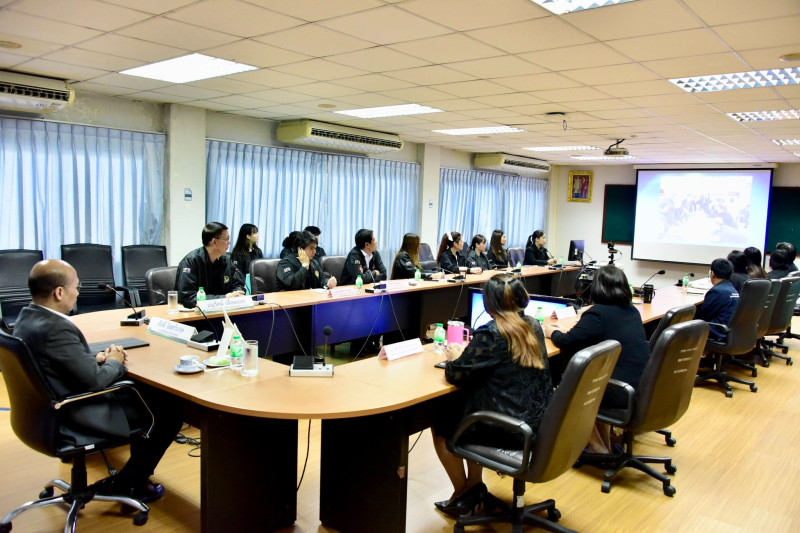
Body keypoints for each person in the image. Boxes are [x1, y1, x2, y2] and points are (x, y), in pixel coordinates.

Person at [13, 259, 183, 503]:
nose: (77, 293)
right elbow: (95, 381)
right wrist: (114, 360)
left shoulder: (27, 317)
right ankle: (131, 483)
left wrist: (93, 358)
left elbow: (55, 360)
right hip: (73, 414)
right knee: (168, 410)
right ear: (59, 292)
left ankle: (131, 479)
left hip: (39, 416)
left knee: (150, 397)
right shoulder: (56, 328)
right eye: (76, 287)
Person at [432, 273, 552, 516]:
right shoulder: (534, 325)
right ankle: (474, 485)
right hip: (538, 423)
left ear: (489, 305)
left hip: (508, 429)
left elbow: (456, 374)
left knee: (441, 420)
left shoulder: (491, 333)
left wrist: (455, 357)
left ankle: (463, 492)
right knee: (467, 406)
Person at [544, 265, 649, 454]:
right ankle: (604, 443)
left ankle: (597, 447)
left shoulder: (598, 314)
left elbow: (567, 341)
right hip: (639, 385)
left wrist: (551, 331)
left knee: (572, 390)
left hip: (618, 390)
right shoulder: (632, 311)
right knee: (595, 377)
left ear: (597, 288)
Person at [175, 222, 246, 307]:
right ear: (214, 242)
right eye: (226, 239)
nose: (229, 242)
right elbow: (187, 297)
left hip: (226, 309)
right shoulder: (191, 261)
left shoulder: (227, 260)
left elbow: (238, 285)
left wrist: (236, 295)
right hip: (198, 312)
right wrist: (224, 298)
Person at [695, 258, 739, 341]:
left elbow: (703, 315)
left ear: (712, 273)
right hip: (729, 331)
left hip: (717, 332)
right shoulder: (732, 289)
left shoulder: (717, 291)